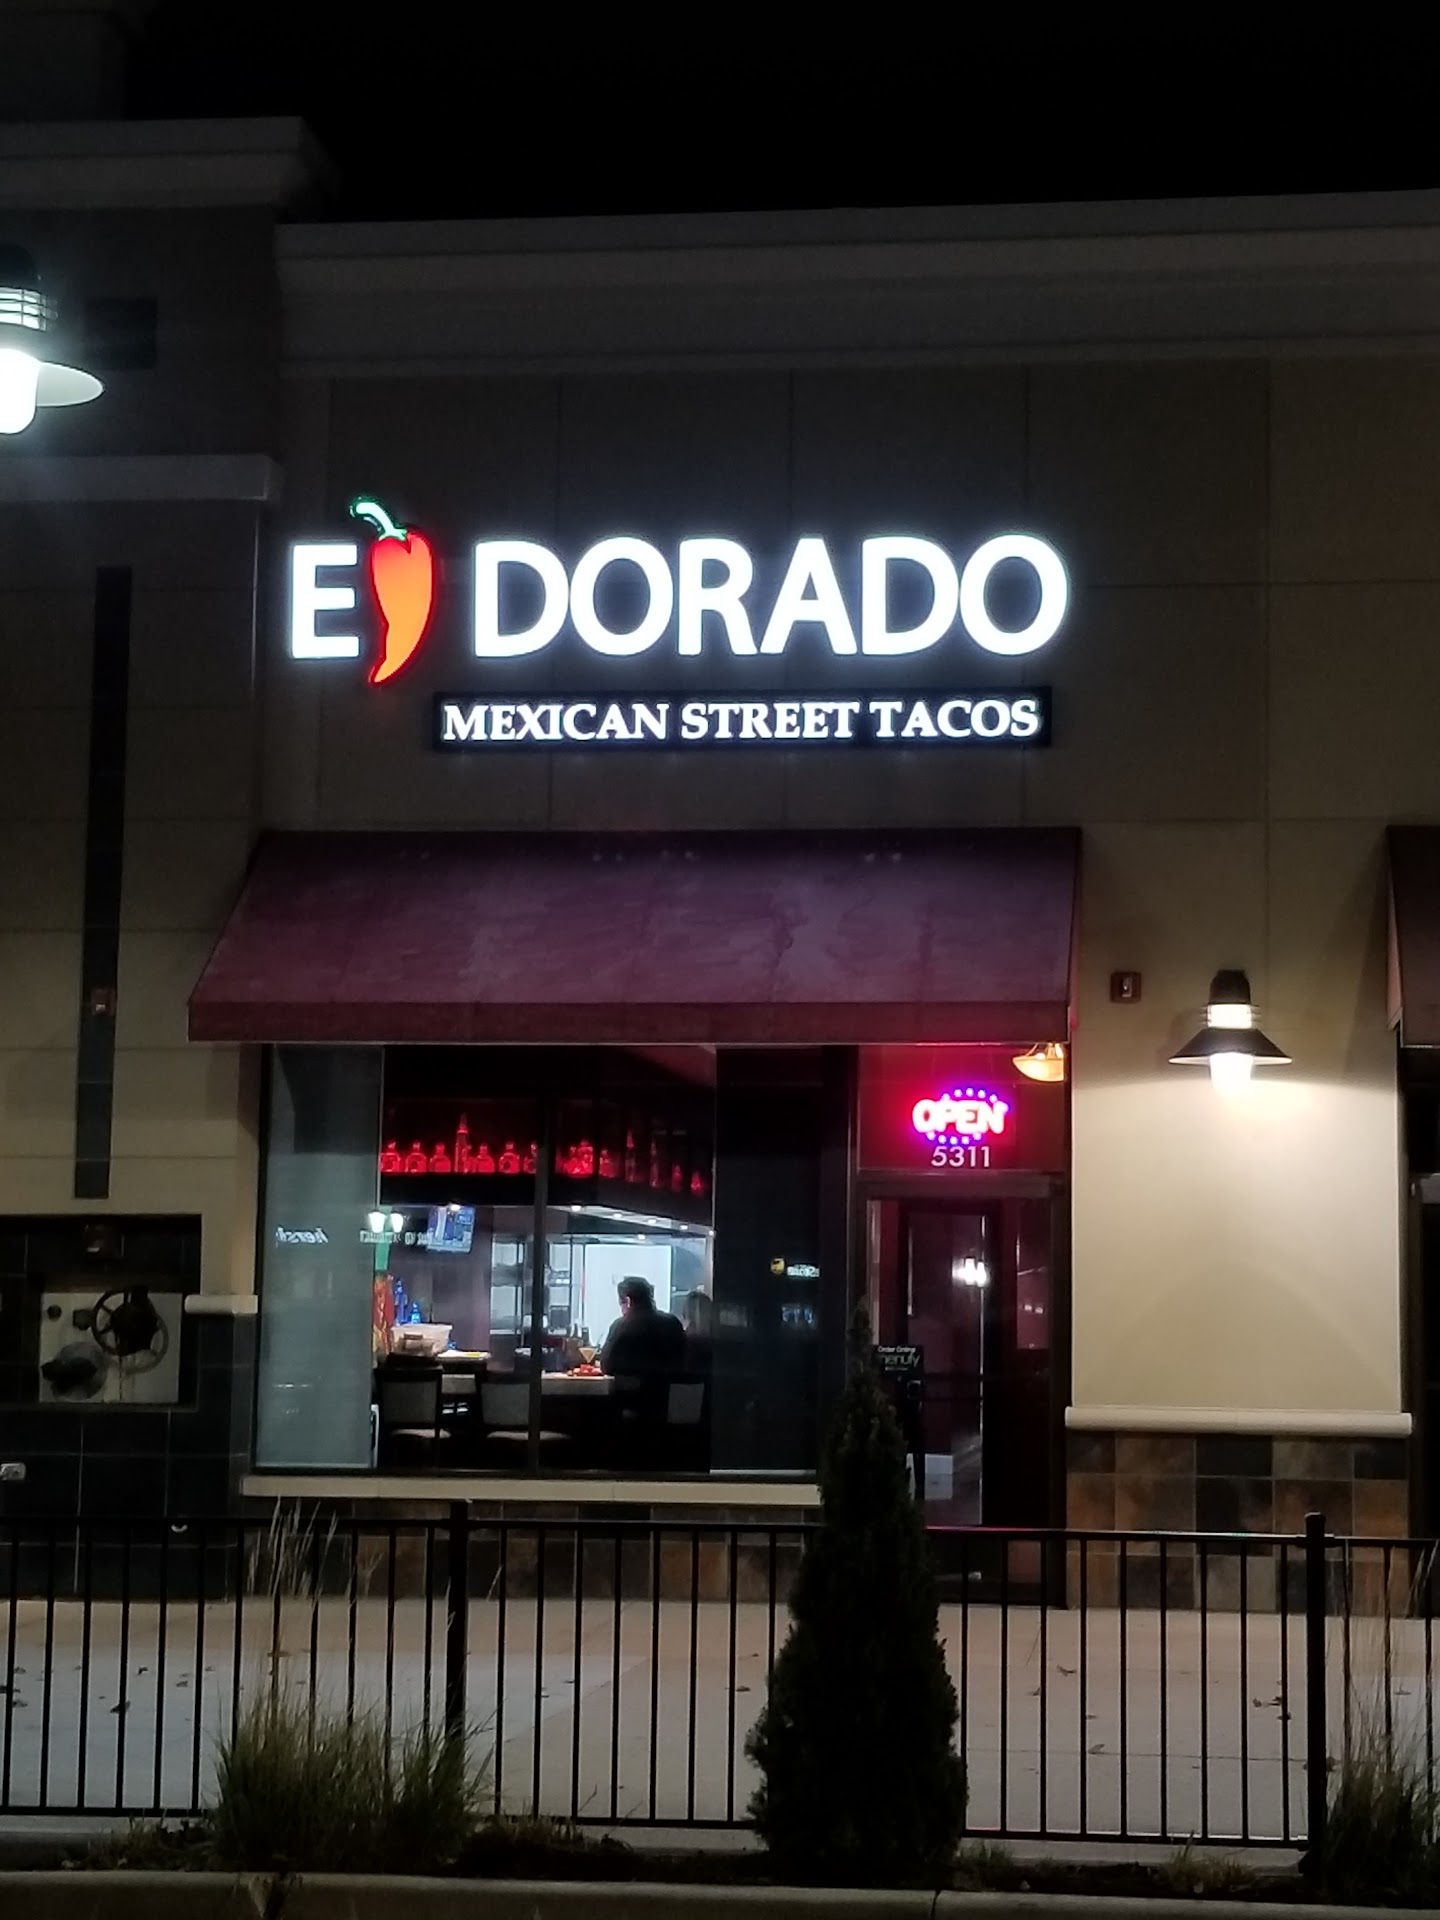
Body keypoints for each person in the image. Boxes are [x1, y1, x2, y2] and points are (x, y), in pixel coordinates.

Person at [599, 1275, 686, 1379]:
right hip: (666, 1388)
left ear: (628, 1301)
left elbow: (606, 1366)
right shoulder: (672, 1322)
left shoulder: (620, 1326)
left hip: (629, 1388)